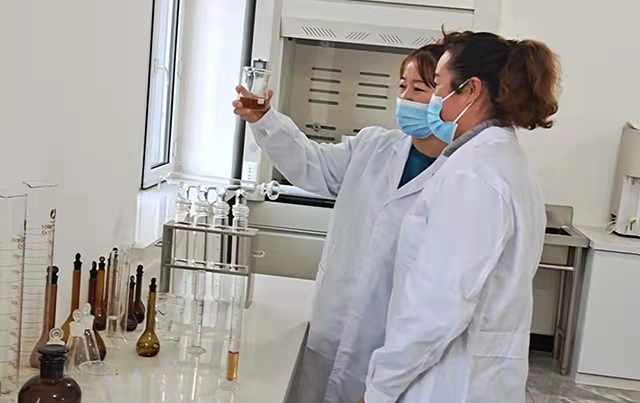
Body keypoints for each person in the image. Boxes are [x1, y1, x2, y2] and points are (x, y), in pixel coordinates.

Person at [233, 44, 447, 403]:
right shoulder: (372, 147)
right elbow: (311, 164)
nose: (406, 98)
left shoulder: (457, 175)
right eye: (402, 86)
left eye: (419, 89)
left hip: (386, 342)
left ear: (444, 97)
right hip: (332, 323)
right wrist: (264, 120)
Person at [360, 31, 558, 403]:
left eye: (437, 85)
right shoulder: (501, 161)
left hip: (451, 383)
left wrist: (380, 388)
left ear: (470, 90)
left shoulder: (475, 175)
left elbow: (439, 307)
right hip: (477, 377)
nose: (432, 99)